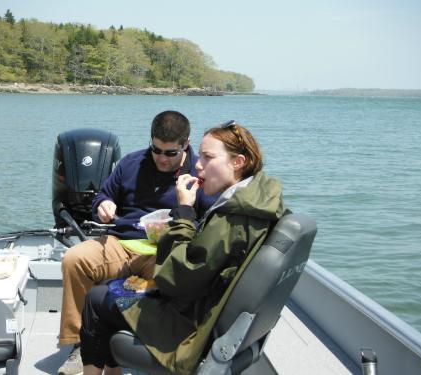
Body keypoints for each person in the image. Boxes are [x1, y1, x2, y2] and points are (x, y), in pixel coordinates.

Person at [79, 121, 288, 375]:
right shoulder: (258, 202)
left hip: (192, 328)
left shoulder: (230, 218)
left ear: (238, 162)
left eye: (209, 157)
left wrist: (184, 212)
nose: (199, 164)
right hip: (212, 311)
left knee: (96, 299)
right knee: (111, 290)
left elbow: (174, 281)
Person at [57, 110, 216, 375]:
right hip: (123, 242)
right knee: (75, 259)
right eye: (156, 150)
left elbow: (209, 221)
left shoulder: (198, 175)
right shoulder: (131, 163)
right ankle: (78, 344)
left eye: (170, 153)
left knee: (176, 281)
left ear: (185, 144)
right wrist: (103, 205)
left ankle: (150, 345)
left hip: (166, 251)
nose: (162, 158)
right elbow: (104, 196)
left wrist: (182, 223)